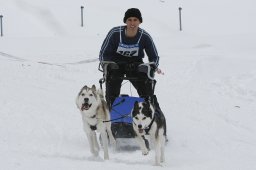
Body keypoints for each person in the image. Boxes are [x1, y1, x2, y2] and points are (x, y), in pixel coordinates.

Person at [99, 8, 163, 109]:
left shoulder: (144, 36)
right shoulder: (115, 33)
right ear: (125, 21)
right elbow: (104, 53)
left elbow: (154, 56)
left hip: (135, 63)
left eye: (135, 20)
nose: (132, 23)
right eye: (129, 20)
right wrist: (106, 65)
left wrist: (152, 66)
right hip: (116, 64)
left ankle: (150, 108)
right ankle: (111, 109)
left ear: (140, 21)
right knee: (112, 80)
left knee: (145, 84)